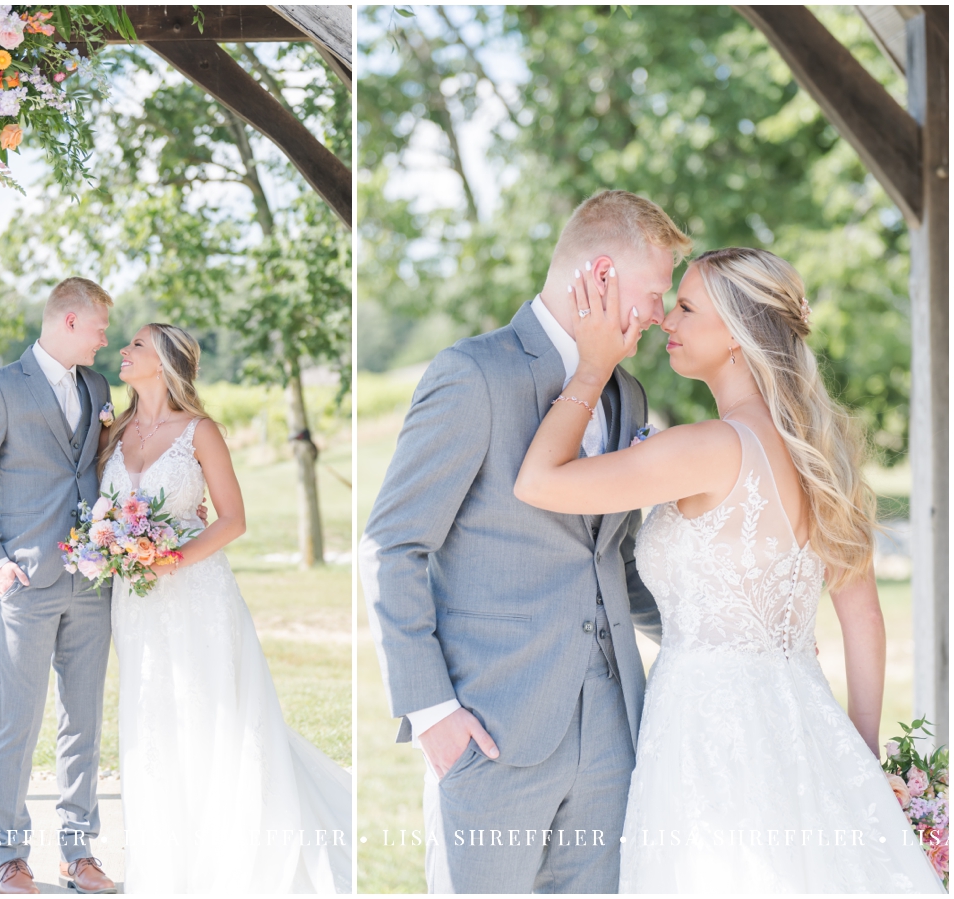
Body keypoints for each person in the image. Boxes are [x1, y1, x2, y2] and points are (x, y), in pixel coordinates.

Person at [514, 247, 945, 893]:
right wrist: (856, 752)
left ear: (739, 337)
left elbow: (539, 481)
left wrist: (594, 368)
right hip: (805, 719)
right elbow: (863, 617)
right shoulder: (821, 458)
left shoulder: (708, 447)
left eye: (686, 307)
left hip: (704, 733)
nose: (667, 322)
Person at [359, 190, 690, 892]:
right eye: (656, 293)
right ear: (599, 276)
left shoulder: (627, 394)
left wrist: (719, 628)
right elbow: (393, 545)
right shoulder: (474, 374)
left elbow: (613, 560)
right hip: (490, 727)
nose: (662, 315)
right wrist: (432, 712)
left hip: (611, 727)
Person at [98, 322, 352, 893]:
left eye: (136, 344)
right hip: (136, 603)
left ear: (162, 361)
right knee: (153, 721)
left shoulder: (200, 432)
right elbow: (105, 512)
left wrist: (174, 560)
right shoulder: (111, 433)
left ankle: (233, 856)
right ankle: (168, 860)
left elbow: (234, 519)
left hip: (197, 595)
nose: (124, 350)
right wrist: (110, 546)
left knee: (213, 714)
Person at [0, 277, 120, 894]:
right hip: (24, 582)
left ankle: (79, 852)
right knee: (17, 721)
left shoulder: (98, 387)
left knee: (83, 721)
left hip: (92, 581)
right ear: (70, 321)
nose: (106, 338)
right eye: (100, 326)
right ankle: (9, 857)